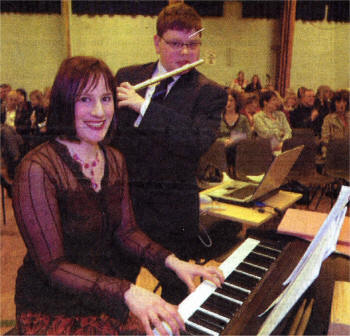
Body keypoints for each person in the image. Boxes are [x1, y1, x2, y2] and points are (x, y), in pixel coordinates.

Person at [12, 56, 224, 335]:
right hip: (51, 306)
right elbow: (53, 266)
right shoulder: (37, 168)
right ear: (65, 103)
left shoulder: (113, 158)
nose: (99, 111)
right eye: (85, 99)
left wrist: (173, 262)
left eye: (106, 99)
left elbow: (127, 232)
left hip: (104, 298)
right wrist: (128, 292)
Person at [113, 2, 227, 304]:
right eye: (176, 44)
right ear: (157, 43)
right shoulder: (128, 76)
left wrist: (144, 107)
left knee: (177, 291)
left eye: (193, 44)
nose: (186, 53)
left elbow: (196, 140)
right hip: (125, 203)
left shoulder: (209, 92)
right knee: (118, 284)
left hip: (172, 210)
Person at [321, 89, 350, 158]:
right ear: (334, 103)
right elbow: (325, 139)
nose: (342, 104)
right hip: (334, 153)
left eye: (344, 101)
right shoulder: (328, 119)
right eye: (338, 102)